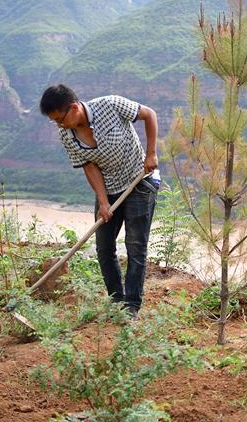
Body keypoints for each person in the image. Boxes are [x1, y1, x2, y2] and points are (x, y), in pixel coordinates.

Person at [39, 84, 160, 318]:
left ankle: (131, 307)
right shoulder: (67, 134)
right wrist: (103, 202)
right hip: (108, 189)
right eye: (54, 121)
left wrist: (151, 153)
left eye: (60, 119)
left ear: (74, 108)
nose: (59, 125)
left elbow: (149, 115)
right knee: (104, 247)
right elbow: (89, 166)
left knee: (136, 247)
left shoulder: (111, 104)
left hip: (139, 180)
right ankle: (116, 302)